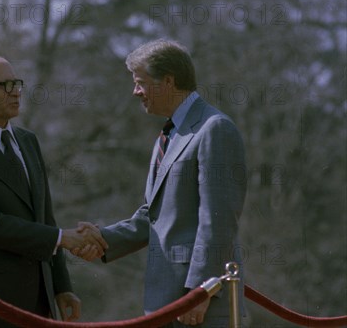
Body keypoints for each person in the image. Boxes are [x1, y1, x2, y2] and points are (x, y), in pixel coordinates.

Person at [77, 39, 247, 327]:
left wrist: (201, 291)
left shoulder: (214, 129)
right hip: (168, 302)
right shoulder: (168, 135)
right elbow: (153, 217)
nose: (135, 92)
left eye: (141, 83)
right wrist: (103, 240)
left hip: (197, 305)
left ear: (168, 81)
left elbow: (218, 221)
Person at [0, 54, 107, 328]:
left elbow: (44, 217)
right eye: (4, 85)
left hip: (37, 301)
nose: (15, 91)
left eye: (16, 83)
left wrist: (61, 286)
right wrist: (63, 238)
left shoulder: (27, 141)